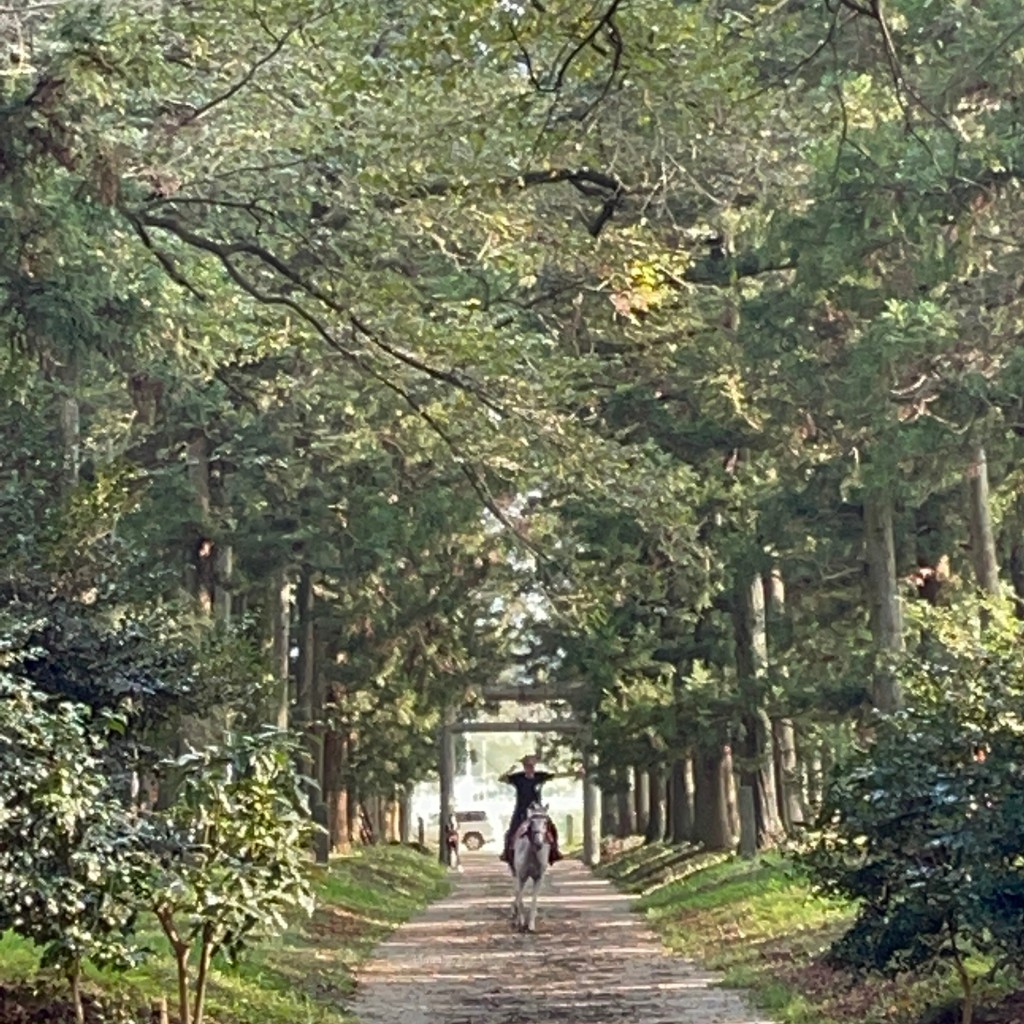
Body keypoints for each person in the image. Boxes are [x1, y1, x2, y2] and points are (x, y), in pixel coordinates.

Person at [499, 754, 563, 865]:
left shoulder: (540, 777)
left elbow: (557, 776)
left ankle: (554, 852)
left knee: (552, 829)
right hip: (521, 812)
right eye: (527, 765)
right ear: (524, 766)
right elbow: (501, 779)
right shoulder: (518, 778)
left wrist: (576, 773)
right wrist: (510, 770)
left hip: (538, 812)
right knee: (511, 833)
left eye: (532, 765)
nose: (530, 767)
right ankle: (507, 854)